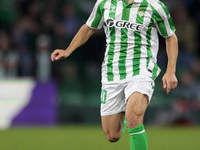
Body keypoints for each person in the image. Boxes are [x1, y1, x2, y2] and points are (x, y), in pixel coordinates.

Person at [51, 0, 178, 149]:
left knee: (134, 120)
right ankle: (124, 113)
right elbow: (89, 28)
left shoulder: (154, 6)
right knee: (112, 135)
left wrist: (170, 71)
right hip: (112, 71)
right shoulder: (104, 3)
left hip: (141, 68)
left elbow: (171, 37)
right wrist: (68, 50)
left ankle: (129, 116)